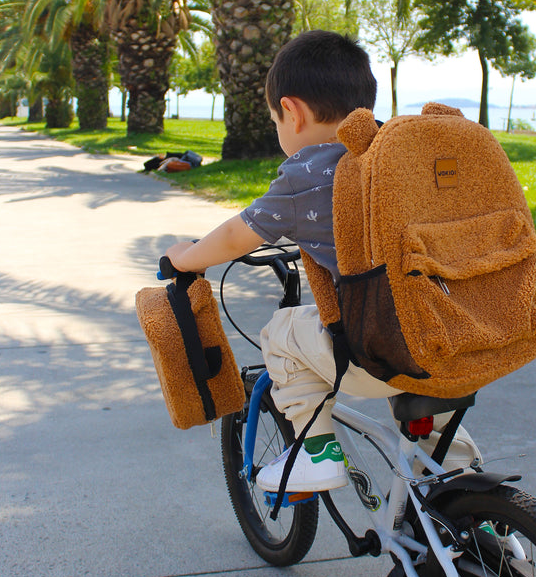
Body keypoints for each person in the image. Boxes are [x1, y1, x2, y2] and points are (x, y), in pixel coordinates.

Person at [165, 30, 479, 493]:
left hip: (385, 351)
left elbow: (236, 235)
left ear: (291, 112)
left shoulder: (307, 173)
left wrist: (186, 258)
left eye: (275, 120)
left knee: (282, 333)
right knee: (444, 440)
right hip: (457, 338)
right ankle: (482, 520)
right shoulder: (397, 155)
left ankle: (316, 453)